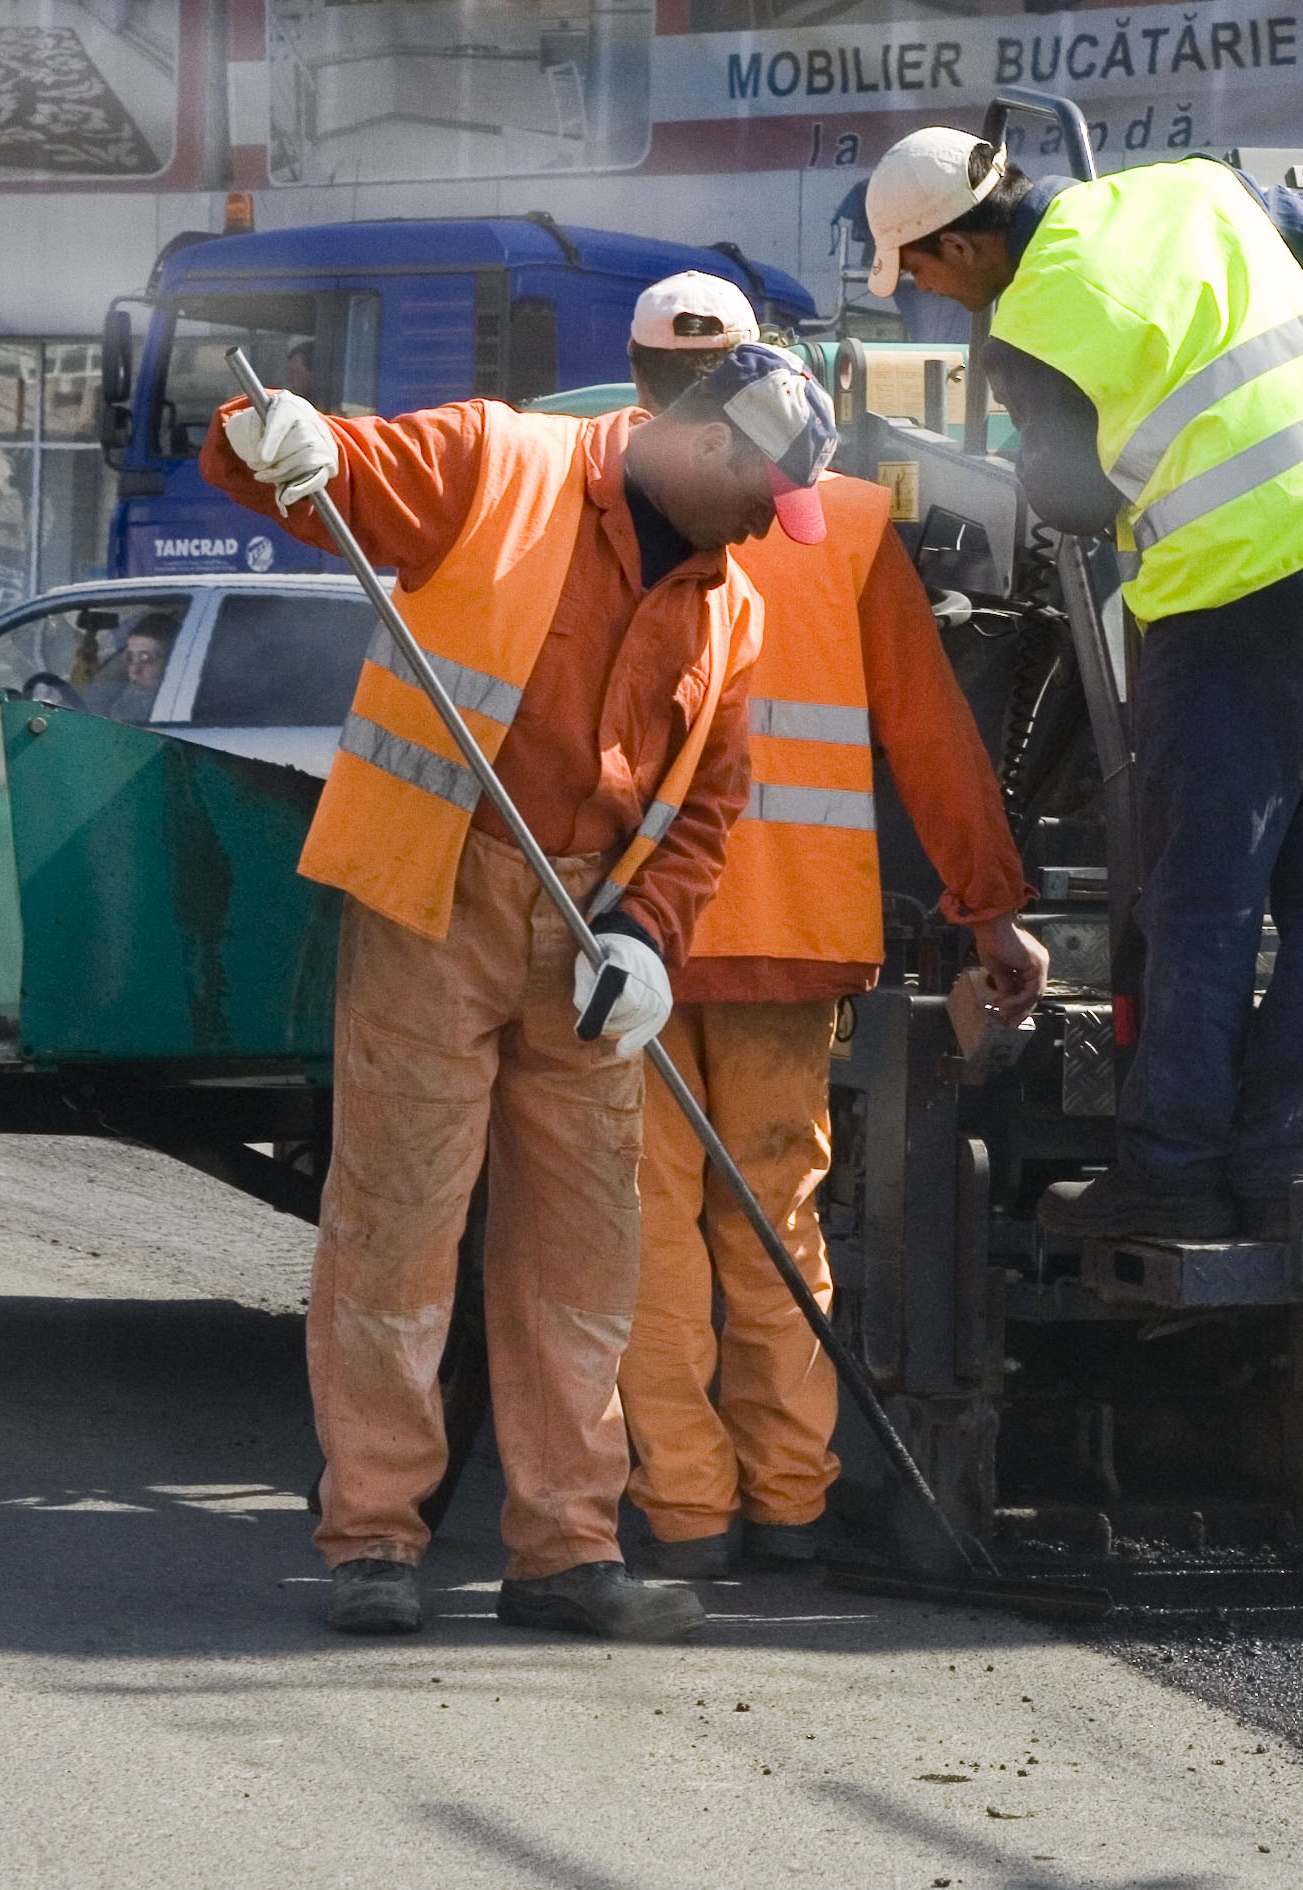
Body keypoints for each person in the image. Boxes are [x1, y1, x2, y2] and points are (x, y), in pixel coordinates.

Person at [203, 339, 835, 1642]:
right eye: (765, 497)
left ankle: (564, 1549)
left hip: (590, 934)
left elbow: (709, 804)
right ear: (709, 448)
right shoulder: (502, 461)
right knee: (397, 1226)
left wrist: (653, 937)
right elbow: (284, 454)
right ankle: (375, 1538)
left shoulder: (733, 608)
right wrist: (276, 439)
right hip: (440, 893)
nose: (770, 529)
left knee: (583, 1252)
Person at [863, 125, 1303, 1242]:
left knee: (1203, 893)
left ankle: (1173, 1175)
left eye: (927, 273)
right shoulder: (1191, 191)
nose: (936, 297)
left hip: (1238, 595)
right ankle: (1292, 1178)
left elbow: (1077, 504)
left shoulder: (1031, 330)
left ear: (962, 242)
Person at [613, 273, 1046, 1580]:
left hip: (622, 932)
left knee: (646, 1231)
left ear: (635, 383)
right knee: (775, 1221)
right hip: (789, 937)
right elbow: (928, 731)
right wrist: (992, 912)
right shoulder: (849, 523)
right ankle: (792, 1506)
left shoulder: (600, 506)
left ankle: (686, 1514)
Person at [84, 614, 176, 723]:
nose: (134, 670)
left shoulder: (181, 703)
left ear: (171, 662)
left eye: (145, 659)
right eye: (130, 659)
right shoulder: (126, 698)